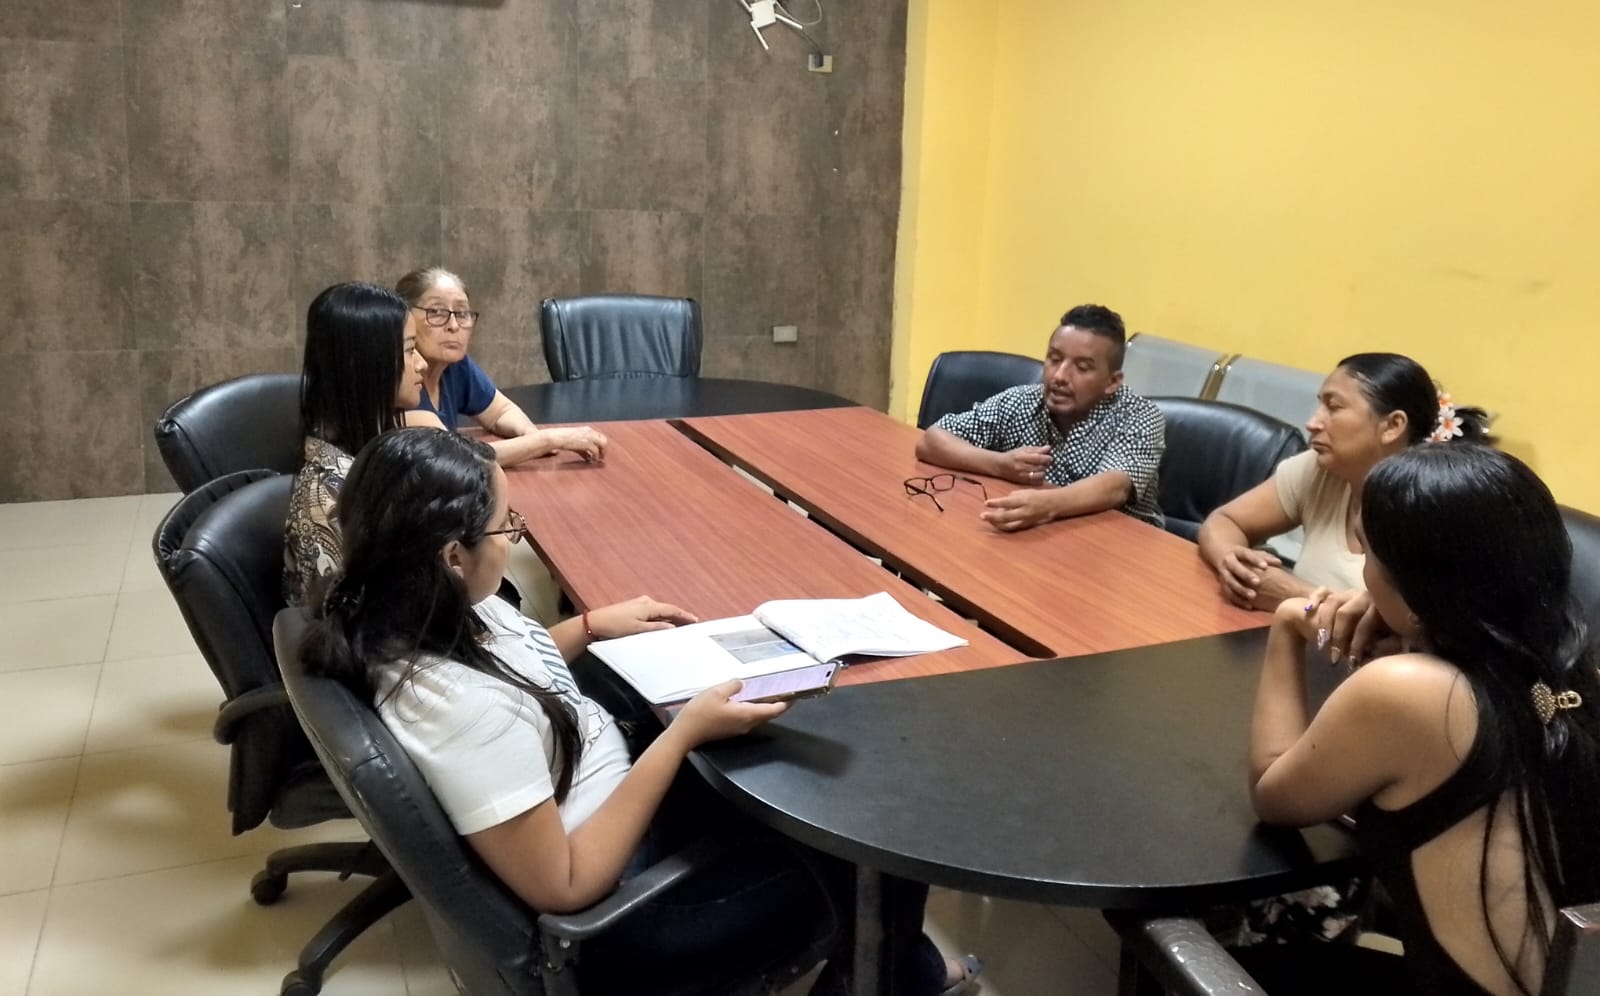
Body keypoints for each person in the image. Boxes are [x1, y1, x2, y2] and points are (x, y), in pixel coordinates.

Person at [299, 428, 981, 995]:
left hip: (603, 790)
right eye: (507, 525)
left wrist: (590, 625)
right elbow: (566, 885)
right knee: (879, 840)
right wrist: (680, 736)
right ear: (453, 555)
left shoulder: (412, 610)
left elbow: (515, 663)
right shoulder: (463, 711)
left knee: (799, 760)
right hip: (637, 909)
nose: (515, 538)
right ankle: (893, 976)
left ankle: (898, 967)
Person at [1243, 445, 1600, 995]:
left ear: (1412, 587)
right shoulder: (1573, 673)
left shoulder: (1410, 693)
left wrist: (1289, 625)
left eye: (1368, 557)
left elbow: (1274, 796)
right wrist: (1416, 633)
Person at [1198, 352, 1489, 614]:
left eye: (1333, 407)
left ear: (1392, 426)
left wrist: (1297, 597)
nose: (1313, 423)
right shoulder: (1320, 468)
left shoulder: (1432, 511)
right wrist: (1232, 562)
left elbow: (1415, 633)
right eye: (1319, 405)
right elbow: (1225, 521)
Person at [914, 304, 1165, 531]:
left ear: (1112, 382)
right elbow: (931, 440)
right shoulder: (1023, 401)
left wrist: (1046, 505)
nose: (1059, 376)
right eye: (1054, 359)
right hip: (1041, 535)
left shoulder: (1140, 415)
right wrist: (1000, 464)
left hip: (1120, 546)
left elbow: (1114, 487)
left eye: (1082, 367)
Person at [283, 282, 436, 605]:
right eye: (410, 350)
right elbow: (351, 623)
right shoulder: (329, 503)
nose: (422, 363)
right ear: (366, 364)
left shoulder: (376, 452)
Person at [396, 266, 608, 466]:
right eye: (436, 312)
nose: (453, 325)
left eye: (461, 314)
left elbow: (500, 412)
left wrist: (530, 437)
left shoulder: (456, 367)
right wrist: (547, 440)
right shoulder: (400, 381)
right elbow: (453, 458)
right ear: (405, 318)